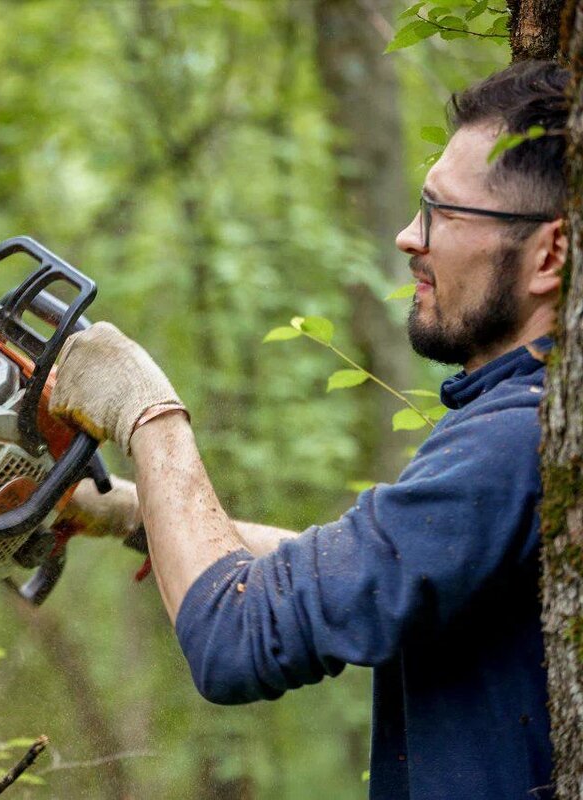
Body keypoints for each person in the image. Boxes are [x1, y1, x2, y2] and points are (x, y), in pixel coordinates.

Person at [50, 60, 568, 799]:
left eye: (443, 214)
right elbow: (369, 571)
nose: (406, 237)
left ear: (549, 254)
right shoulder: (532, 429)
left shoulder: (520, 441)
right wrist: (134, 511)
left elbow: (234, 637)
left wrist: (145, 412)